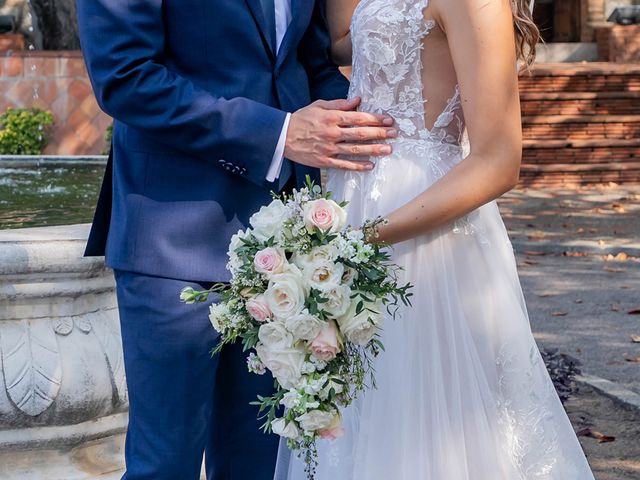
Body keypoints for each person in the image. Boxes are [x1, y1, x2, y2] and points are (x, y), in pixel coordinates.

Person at [75, 1, 398, 479]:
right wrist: (279, 134)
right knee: (165, 464)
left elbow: (306, 65)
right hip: (173, 235)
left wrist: (394, 129)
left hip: (289, 245)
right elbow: (125, 76)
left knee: (262, 465)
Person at [277, 0, 596, 478]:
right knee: (360, 410)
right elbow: (340, 37)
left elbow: (499, 160)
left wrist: (364, 238)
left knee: (427, 415)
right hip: (353, 207)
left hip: (422, 229)